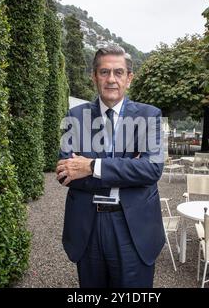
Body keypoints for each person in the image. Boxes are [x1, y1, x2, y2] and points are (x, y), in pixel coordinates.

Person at [55, 45, 165, 288]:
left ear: (129, 78)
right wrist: (128, 169)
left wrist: (91, 165)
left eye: (118, 72)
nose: (111, 79)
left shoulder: (150, 116)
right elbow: (65, 174)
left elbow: (152, 170)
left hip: (132, 226)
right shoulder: (74, 116)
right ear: (94, 76)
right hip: (88, 225)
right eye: (104, 72)